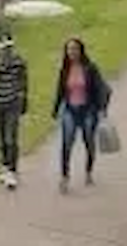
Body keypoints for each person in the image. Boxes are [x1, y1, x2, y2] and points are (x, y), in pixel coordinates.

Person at [51, 37, 112, 190]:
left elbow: (100, 89)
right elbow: (60, 91)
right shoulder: (64, 70)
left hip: (88, 110)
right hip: (70, 110)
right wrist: (55, 109)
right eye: (69, 49)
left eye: (74, 49)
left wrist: (102, 109)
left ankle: (88, 172)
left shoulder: (90, 68)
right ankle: (64, 177)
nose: (72, 52)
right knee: (66, 143)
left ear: (81, 51)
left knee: (89, 142)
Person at [0, 29, 28, 189]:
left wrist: (24, 100)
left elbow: (24, 82)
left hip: (13, 103)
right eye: (2, 46)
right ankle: (5, 166)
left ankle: (12, 169)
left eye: (8, 46)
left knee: (10, 138)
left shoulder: (18, 61)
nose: (6, 50)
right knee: (1, 138)